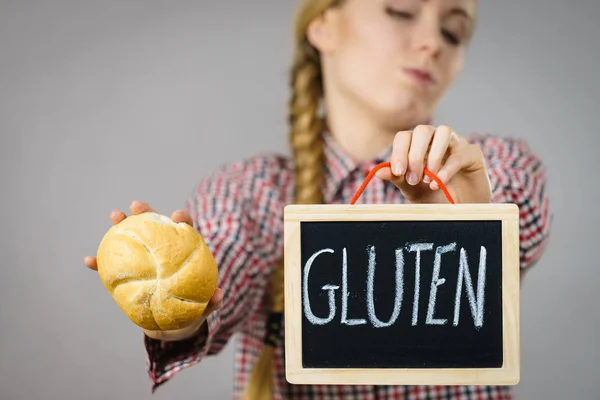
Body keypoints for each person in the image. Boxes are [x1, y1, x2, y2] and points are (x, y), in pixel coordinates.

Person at [84, 0, 552, 399]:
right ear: (323, 25)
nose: (432, 42)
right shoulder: (250, 191)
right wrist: (172, 302)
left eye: (454, 32)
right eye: (401, 10)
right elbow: (217, 276)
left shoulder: (498, 162)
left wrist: (476, 218)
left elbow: (522, 221)